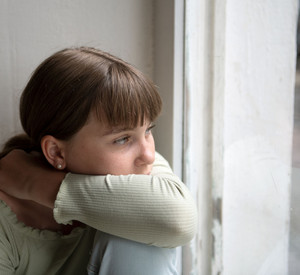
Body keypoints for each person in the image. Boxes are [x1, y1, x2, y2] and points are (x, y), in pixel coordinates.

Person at [0, 47, 197, 275]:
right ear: (56, 152)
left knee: (141, 230)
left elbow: (178, 219)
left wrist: (34, 183)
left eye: (148, 130)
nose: (149, 155)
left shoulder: (140, 168)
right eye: (123, 139)